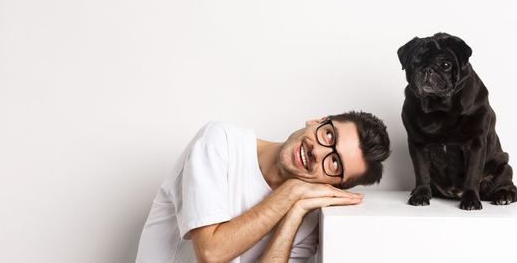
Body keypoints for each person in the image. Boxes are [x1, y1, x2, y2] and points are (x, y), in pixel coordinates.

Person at [134, 111, 391, 263]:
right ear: (316, 121)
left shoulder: (307, 217)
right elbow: (211, 253)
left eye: (334, 163)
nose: (318, 153)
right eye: (328, 136)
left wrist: (294, 213)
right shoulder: (219, 142)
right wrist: (290, 192)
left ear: (335, 185)